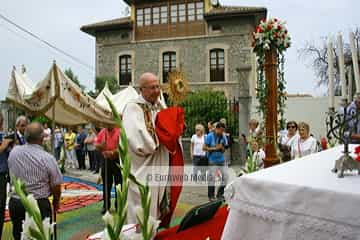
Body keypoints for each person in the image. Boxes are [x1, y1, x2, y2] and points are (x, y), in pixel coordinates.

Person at [122, 72, 171, 225]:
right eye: (152, 88)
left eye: (158, 86)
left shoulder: (159, 105)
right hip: (142, 168)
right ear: (141, 89)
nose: (157, 91)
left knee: (155, 208)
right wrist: (159, 140)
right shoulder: (132, 108)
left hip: (159, 165)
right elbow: (136, 139)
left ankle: (152, 232)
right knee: (142, 207)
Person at [8, 122, 62, 240]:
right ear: (42, 138)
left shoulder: (14, 152)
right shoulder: (48, 158)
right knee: (43, 235)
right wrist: (56, 201)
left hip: (16, 203)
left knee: (20, 235)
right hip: (38, 204)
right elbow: (56, 185)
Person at [94, 125, 121, 214]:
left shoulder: (119, 131)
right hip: (106, 161)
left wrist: (113, 152)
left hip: (117, 161)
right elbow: (96, 145)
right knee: (106, 185)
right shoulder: (103, 132)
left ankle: (119, 205)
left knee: (119, 184)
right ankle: (106, 206)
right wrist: (101, 145)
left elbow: (123, 147)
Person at [203, 122, 228, 201]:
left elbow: (224, 150)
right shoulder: (209, 136)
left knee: (225, 177)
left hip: (221, 160)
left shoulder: (223, 136)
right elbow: (204, 148)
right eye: (220, 130)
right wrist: (214, 148)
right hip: (212, 161)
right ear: (216, 129)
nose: (221, 132)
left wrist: (222, 148)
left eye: (223, 130)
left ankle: (220, 194)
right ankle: (211, 196)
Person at [0, 113, 13, 239]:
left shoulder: (3, 136)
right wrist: (3, 146)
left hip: (3, 176)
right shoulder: (3, 140)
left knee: (1, 208)